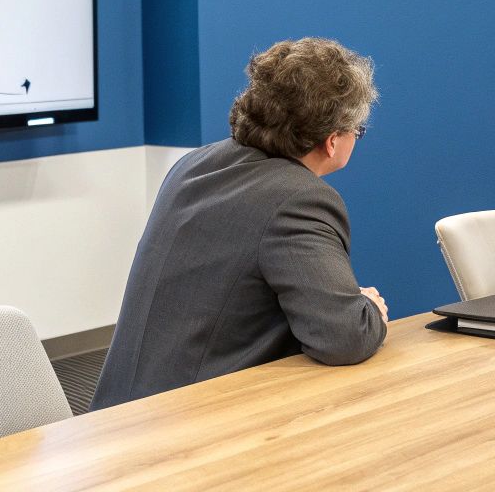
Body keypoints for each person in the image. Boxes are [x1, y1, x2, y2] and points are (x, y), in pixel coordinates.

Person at [90, 37, 389, 410]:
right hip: (191, 421)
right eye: (357, 131)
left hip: (118, 413)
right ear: (332, 142)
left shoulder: (193, 165)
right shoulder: (299, 198)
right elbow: (345, 338)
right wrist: (368, 309)